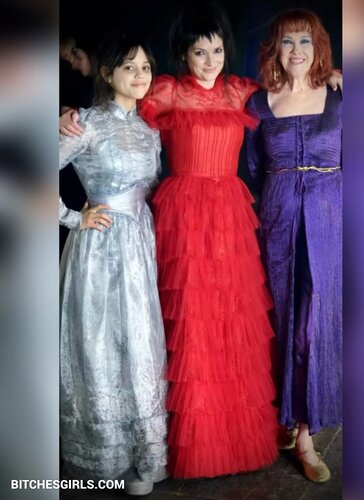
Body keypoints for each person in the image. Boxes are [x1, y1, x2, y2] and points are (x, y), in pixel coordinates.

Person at [59, 4, 342, 480]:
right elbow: (119, 101)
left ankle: (242, 433)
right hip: (183, 218)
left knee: (235, 320)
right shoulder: (165, 90)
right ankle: (188, 439)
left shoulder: (241, 92)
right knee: (188, 324)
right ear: (184, 56)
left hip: (231, 215)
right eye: (199, 52)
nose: (210, 61)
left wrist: (332, 74)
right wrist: (70, 113)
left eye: (216, 51)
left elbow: (289, 86)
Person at [59, 36, 168, 496]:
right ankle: (110, 454)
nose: (140, 75)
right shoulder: (84, 123)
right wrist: (72, 217)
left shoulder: (149, 131)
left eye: (145, 67)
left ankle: (144, 456)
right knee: (102, 343)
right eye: (129, 66)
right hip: (99, 249)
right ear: (107, 73)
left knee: (140, 342)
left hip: (140, 246)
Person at [245, 9, 342, 483]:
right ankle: (285, 415)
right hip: (277, 223)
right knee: (278, 322)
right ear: (275, 50)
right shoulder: (258, 104)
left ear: (318, 46)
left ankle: (305, 434)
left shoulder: (342, 96)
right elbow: (252, 169)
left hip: (330, 223)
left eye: (305, 40)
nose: (297, 50)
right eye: (287, 41)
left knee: (312, 326)